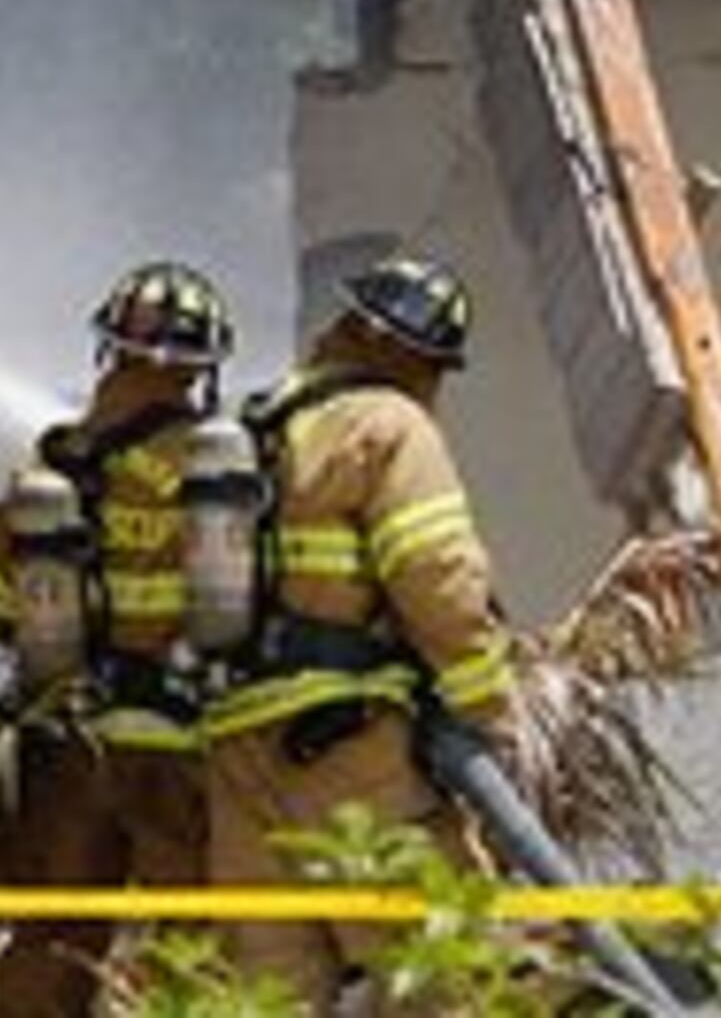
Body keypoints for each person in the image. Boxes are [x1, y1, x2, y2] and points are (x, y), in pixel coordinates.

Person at [193, 248, 523, 1010]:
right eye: (436, 368)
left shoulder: (259, 429)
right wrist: (492, 709)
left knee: (268, 993)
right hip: (347, 748)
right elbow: (436, 574)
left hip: (238, 751)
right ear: (410, 356)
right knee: (449, 973)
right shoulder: (387, 424)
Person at [0, 259, 234, 1018]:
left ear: (108, 349)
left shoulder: (44, 472)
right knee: (196, 950)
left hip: (63, 749)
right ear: (203, 368)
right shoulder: (215, 470)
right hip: (179, 746)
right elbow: (245, 609)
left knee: (48, 949)